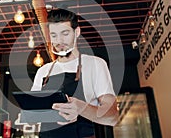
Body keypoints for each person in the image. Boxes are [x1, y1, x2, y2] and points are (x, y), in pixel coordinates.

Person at [30, 8, 119, 138]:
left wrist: (81, 108)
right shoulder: (43, 71)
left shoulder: (95, 64)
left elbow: (112, 117)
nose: (59, 41)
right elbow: (32, 114)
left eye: (65, 33)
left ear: (77, 32)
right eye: (54, 35)